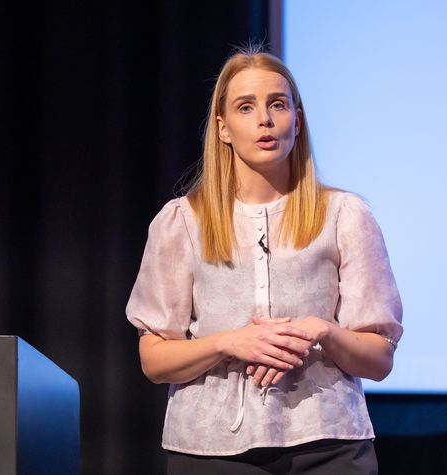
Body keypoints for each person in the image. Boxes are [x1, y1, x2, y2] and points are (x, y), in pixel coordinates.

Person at [126, 45, 403, 474]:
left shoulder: (345, 215)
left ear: (298, 118)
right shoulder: (181, 221)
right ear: (223, 128)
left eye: (278, 104)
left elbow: (380, 359)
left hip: (329, 443)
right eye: (246, 107)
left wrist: (323, 331)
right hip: (210, 448)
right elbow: (154, 359)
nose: (265, 120)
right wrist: (228, 342)